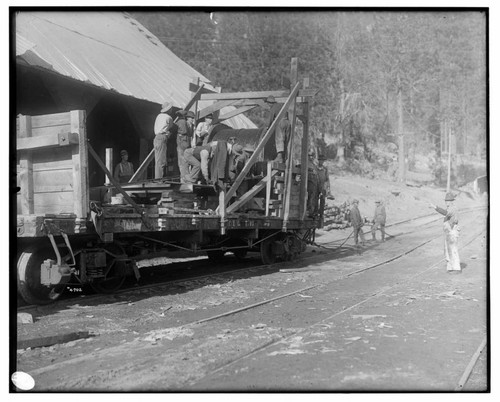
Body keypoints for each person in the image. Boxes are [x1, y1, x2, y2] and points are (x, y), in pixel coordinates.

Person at [430, 192, 461, 273]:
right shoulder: (450, 208)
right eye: (446, 201)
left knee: (453, 249)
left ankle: (456, 268)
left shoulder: (452, 208)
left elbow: (445, 213)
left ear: (452, 201)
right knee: (448, 250)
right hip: (449, 231)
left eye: (448, 201)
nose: (447, 202)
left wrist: (435, 207)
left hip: (452, 231)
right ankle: (450, 267)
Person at [263, 95, 291, 163]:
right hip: (288, 123)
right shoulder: (281, 106)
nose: (268, 105)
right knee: (285, 141)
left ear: (269, 103)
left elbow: (270, 120)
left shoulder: (273, 107)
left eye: (268, 103)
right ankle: (285, 158)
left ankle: (279, 157)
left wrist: (267, 129)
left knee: (279, 139)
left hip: (280, 122)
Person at [153, 102, 174, 179]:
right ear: (168, 109)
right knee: (161, 161)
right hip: (162, 137)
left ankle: (158, 177)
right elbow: (171, 126)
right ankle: (159, 179)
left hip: (157, 137)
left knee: (158, 160)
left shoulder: (158, 116)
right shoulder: (168, 117)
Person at [175, 110, 193, 183]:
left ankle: (184, 179)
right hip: (184, 142)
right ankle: (184, 178)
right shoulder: (185, 122)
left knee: (182, 161)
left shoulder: (181, 121)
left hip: (182, 142)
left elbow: (183, 131)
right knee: (184, 161)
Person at [307, 151, 320, 217]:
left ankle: (312, 212)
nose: (311, 157)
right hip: (309, 183)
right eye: (309, 155)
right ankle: (309, 212)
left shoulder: (314, 165)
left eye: (312, 156)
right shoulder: (305, 163)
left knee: (313, 199)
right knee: (309, 198)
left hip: (314, 184)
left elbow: (317, 175)